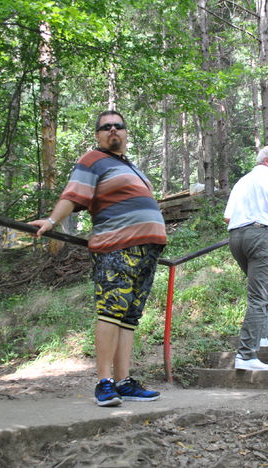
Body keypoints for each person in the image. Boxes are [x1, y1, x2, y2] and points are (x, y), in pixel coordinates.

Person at [29, 110, 167, 407]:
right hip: (116, 246)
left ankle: (124, 381)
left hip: (147, 249)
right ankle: (104, 382)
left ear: (126, 133)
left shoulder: (131, 166)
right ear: (98, 135)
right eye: (106, 128)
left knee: (129, 317)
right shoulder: (92, 160)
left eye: (118, 126)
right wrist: (52, 222)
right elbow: (74, 195)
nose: (113, 130)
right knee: (111, 311)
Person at [224, 146, 268, 371]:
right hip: (260, 235)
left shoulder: (241, 182)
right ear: (267, 161)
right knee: (260, 296)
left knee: (259, 291)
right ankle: (245, 355)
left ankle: (261, 336)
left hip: (236, 237)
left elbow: (227, 216)